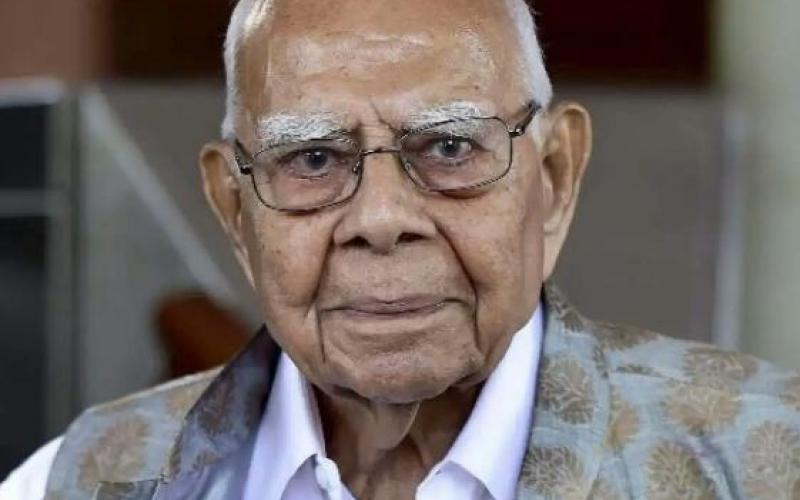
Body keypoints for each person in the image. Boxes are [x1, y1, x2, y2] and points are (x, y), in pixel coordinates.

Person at [3, 0, 800, 498]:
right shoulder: (82, 478)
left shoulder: (766, 461)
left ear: (555, 177)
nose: (381, 219)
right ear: (234, 210)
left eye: (449, 147)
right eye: (313, 158)